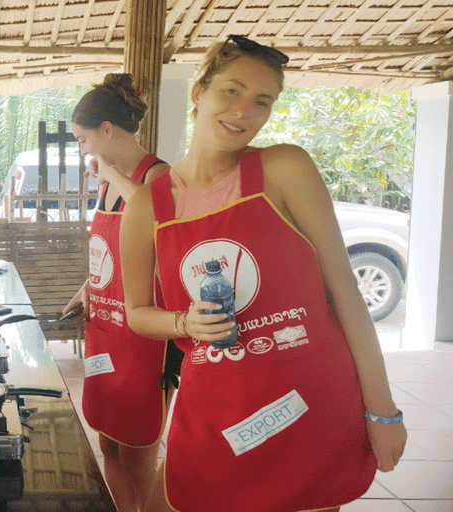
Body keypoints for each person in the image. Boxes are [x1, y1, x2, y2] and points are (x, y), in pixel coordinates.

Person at [119, 35, 407, 512]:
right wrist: (183, 325)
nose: (243, 112)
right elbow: (136, 313)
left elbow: (345, 293)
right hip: (215, 408)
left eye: (262, 101)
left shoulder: (284, 169)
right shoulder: (149, 204)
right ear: (199, 91)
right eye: (231, 91)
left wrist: (383, 412)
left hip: (311, 405)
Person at [63, 73, 171, 512]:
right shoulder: (110, 182)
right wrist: (87, 286)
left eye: (83, 139)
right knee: (108, 446)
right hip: (103, 330)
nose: (83, 149)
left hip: (141, 338)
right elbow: (116, 249)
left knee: (137, 450)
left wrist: (111, 174)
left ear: (108, 130)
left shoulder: (158, 175)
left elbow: (163, 231)